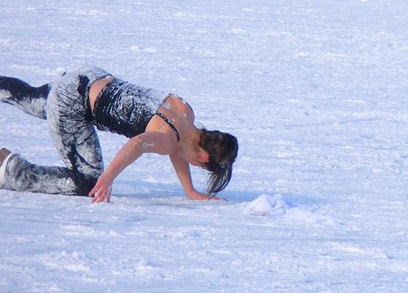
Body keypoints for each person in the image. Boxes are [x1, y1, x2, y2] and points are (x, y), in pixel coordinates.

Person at [0, 66, 238, 203]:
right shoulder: (167, 139)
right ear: (204, 160)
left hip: (88, 77)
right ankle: (8, 169)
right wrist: (107, 178)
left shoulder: (185, 113)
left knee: (32, 100)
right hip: (73, 101)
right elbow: (138, 143)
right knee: (87, 183)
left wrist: (190, 191)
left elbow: (179, 149)